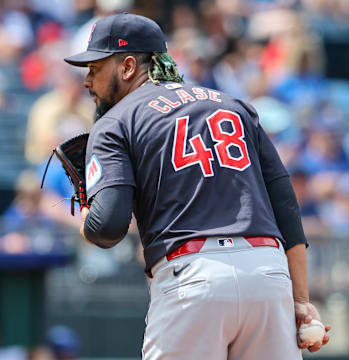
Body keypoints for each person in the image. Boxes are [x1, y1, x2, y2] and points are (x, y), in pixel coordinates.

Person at [64, 12, 330, 360]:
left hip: (193, 280)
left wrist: (86, 210)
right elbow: (286, 208)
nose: (87, 81)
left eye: (95, 69)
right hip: (268, 274)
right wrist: (300, 300)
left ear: (127, 66)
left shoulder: (117, 120)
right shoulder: (234, 105)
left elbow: (107, 227)